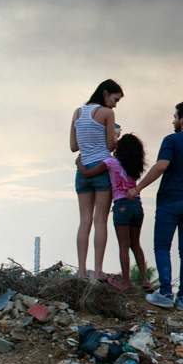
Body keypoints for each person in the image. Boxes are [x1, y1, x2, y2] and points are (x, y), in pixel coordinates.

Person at [128, 101, 183, 309]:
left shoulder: (172, 140)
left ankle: (166, 293)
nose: (173, 120)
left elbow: (161, 165)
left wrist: (138, 188)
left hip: (171, 201)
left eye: (175, 117)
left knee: (162, 246)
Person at [76, 133, 155, 293]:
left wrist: (79, 163)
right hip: (137, 205)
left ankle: (125, 282)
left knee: (123, 246)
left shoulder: (111, 162)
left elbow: (87, 174)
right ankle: (145, 280)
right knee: (135, 244)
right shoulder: (133, 166)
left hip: (121, 206)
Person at [70, 79, 123, 281]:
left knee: (84, 222)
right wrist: (116, 135)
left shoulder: (77, 112)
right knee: (100, 221)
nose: (115, 104)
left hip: (82, 169)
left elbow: (74, 146)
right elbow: (110, 145)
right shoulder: (107, 114)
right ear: (106, 93)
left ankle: (82, 271)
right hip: (101, 169)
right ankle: (98, 270)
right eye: (115, 99)